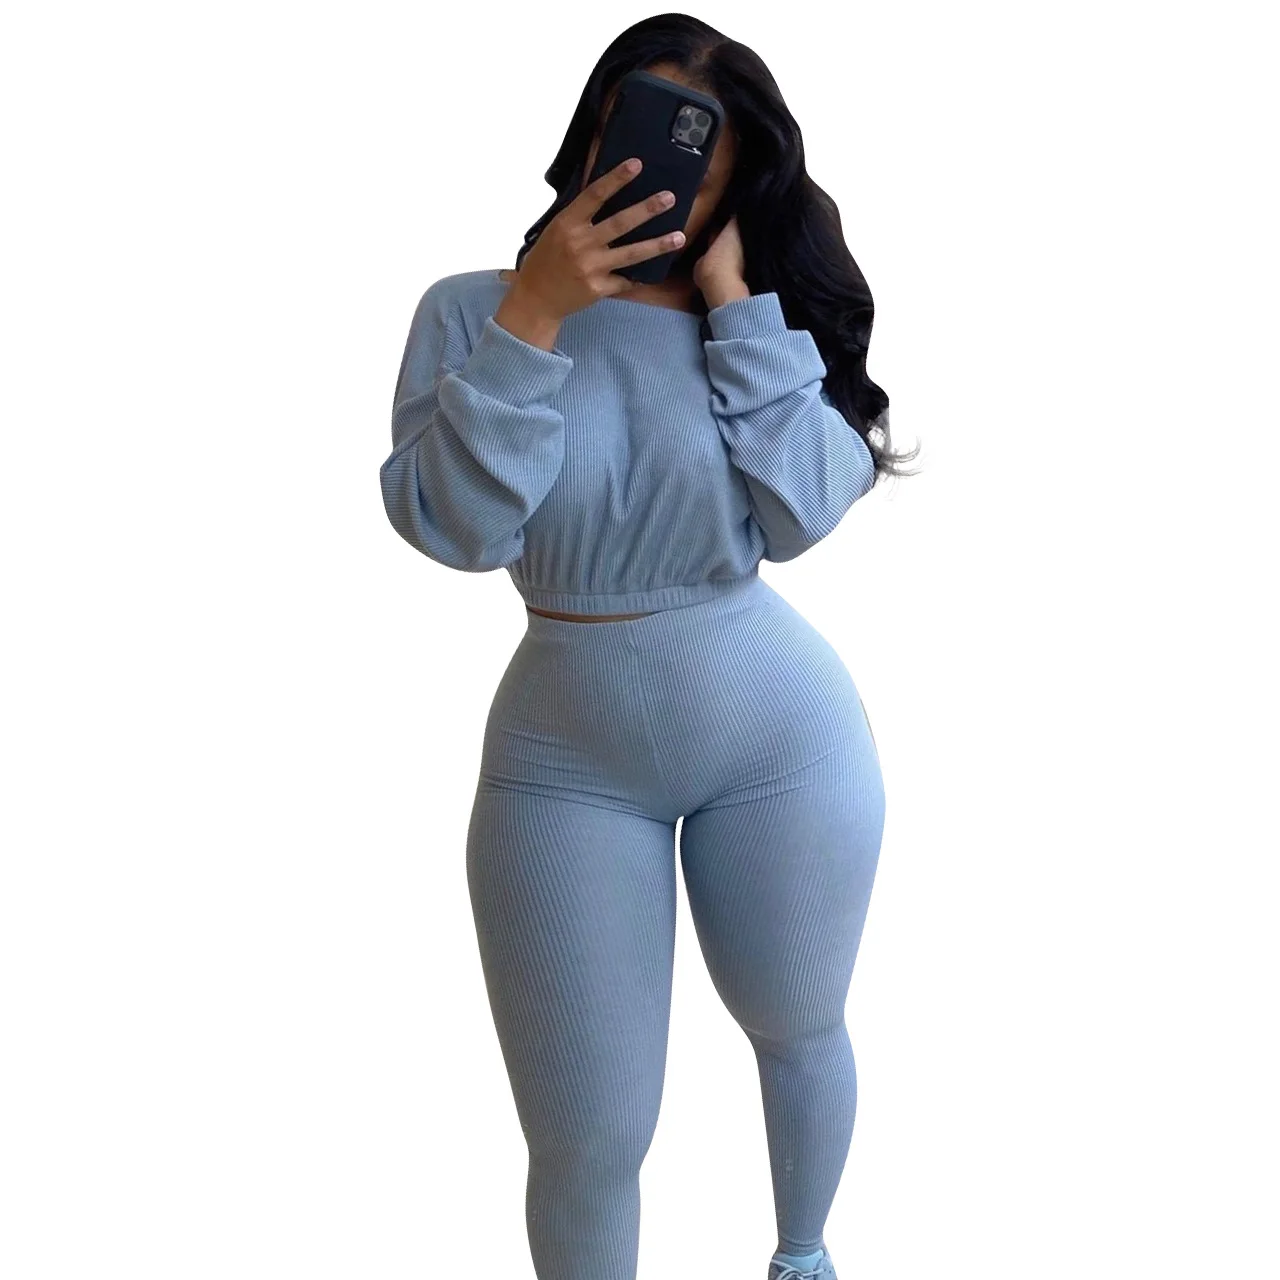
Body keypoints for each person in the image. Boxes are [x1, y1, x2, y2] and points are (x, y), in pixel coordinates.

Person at [379, 15, 916, 1280]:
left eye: (698, 153)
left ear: (739, 181)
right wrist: (534, 311)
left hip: (778, 737)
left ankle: (802, 1256)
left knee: (797, 1024)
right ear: (589, 133)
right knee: (585, 1135)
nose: (656, 170)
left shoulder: (751, 328)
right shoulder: (470, 313)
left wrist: (733, 300)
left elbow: (801, 516)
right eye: (633, 129)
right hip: (562, 761)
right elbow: (454, 528)